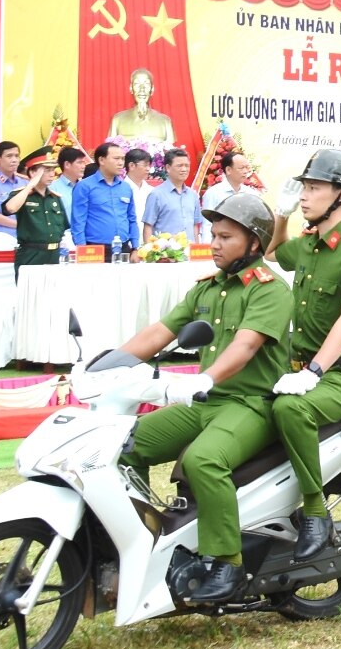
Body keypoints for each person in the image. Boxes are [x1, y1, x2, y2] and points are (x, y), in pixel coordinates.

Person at [116, 191, 293, 603]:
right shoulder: (207, 289)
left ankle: (226, 562)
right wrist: (106, 364)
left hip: (251, 404)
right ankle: (143, 539)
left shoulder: (270, 290)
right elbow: (159, 333)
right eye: (213, 234)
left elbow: (246, 346)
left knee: (203, 461)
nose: (214, 243)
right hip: (206, 403)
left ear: (253, 242)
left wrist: (206, 377)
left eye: (225, 236)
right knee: (125, 444)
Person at [265, 149, 341, 562]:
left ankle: (316, 512)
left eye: (314, 188)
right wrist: (280, 215)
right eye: (304, 187)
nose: (304, 196)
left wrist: (314, 370)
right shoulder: (311, 244)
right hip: (295, 370)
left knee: (291, 411)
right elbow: (273, 254)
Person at [4, 147, 69, 279]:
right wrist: (30, 186)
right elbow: (10, 208)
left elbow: (63, 227)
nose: (52, 174)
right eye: (46, 170)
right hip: (31, 254)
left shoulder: (55, 198)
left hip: (54, 254)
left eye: (52, 170)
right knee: (29, 296)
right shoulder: (21, 195)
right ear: (33, 172)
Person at [71, 142, 140, 255]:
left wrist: (135, 248)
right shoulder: (84, 186)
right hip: (95, 249)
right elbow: (78, 222)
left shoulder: (126, 187)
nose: (121, 163)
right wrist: (82, 250)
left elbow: (131, 219)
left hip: (123, 248)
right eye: (116, 158)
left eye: (123, 159)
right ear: (102, 160)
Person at [146, 149, 208, 242]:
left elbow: (195, 226)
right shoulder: (156, 195)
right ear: (168, 168)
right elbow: (148, 226)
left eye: (187, 166)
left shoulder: (193, 195)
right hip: (166, 253)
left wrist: (196, 248)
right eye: (179, 166)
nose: (184, 169)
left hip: (189, 252)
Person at [107, 66, 176, 145]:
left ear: (152, 89)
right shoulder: (118, 119)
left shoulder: (165, 121)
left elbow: (170, 150)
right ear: (131, 89)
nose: (142, 89)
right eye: (137, 84)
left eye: (146, 84)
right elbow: (111, 150)